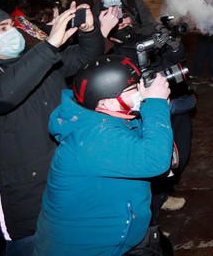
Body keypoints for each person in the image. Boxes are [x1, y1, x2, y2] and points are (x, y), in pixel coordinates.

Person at [0, 4, 104, 253]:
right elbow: (4, 94)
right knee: (32, 246)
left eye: (11, 25)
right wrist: (48, 47)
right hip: (22, 186)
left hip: (63, 169)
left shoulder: (32, 59)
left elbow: (85, 58)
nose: (11, 32)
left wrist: (89, 31)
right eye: (1, 28)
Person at [34, 56, 173, 254]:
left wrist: (156, 110)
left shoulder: (111, 118)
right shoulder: (92, 136)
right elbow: (156, 160)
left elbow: (163, 151)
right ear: (106, 103)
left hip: (119, 240)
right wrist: (156, 105)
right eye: (133, 90)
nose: (142, 93)